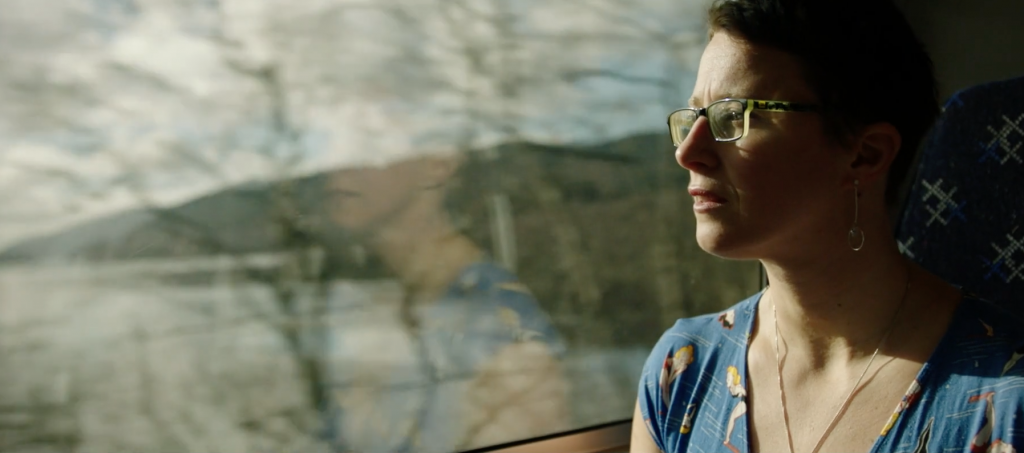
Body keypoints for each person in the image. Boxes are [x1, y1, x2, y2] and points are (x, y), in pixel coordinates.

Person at [630, 1, 1024, 453]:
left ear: (866, 155)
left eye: (734, 116)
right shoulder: (681, 373)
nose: (687, 152)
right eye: (693, 116)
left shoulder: (1004, 402)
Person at [323, 151, 569, 452]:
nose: (336, 161)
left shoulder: (501, 334)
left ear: (438, 164)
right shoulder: (367, 301)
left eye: (369, 140)